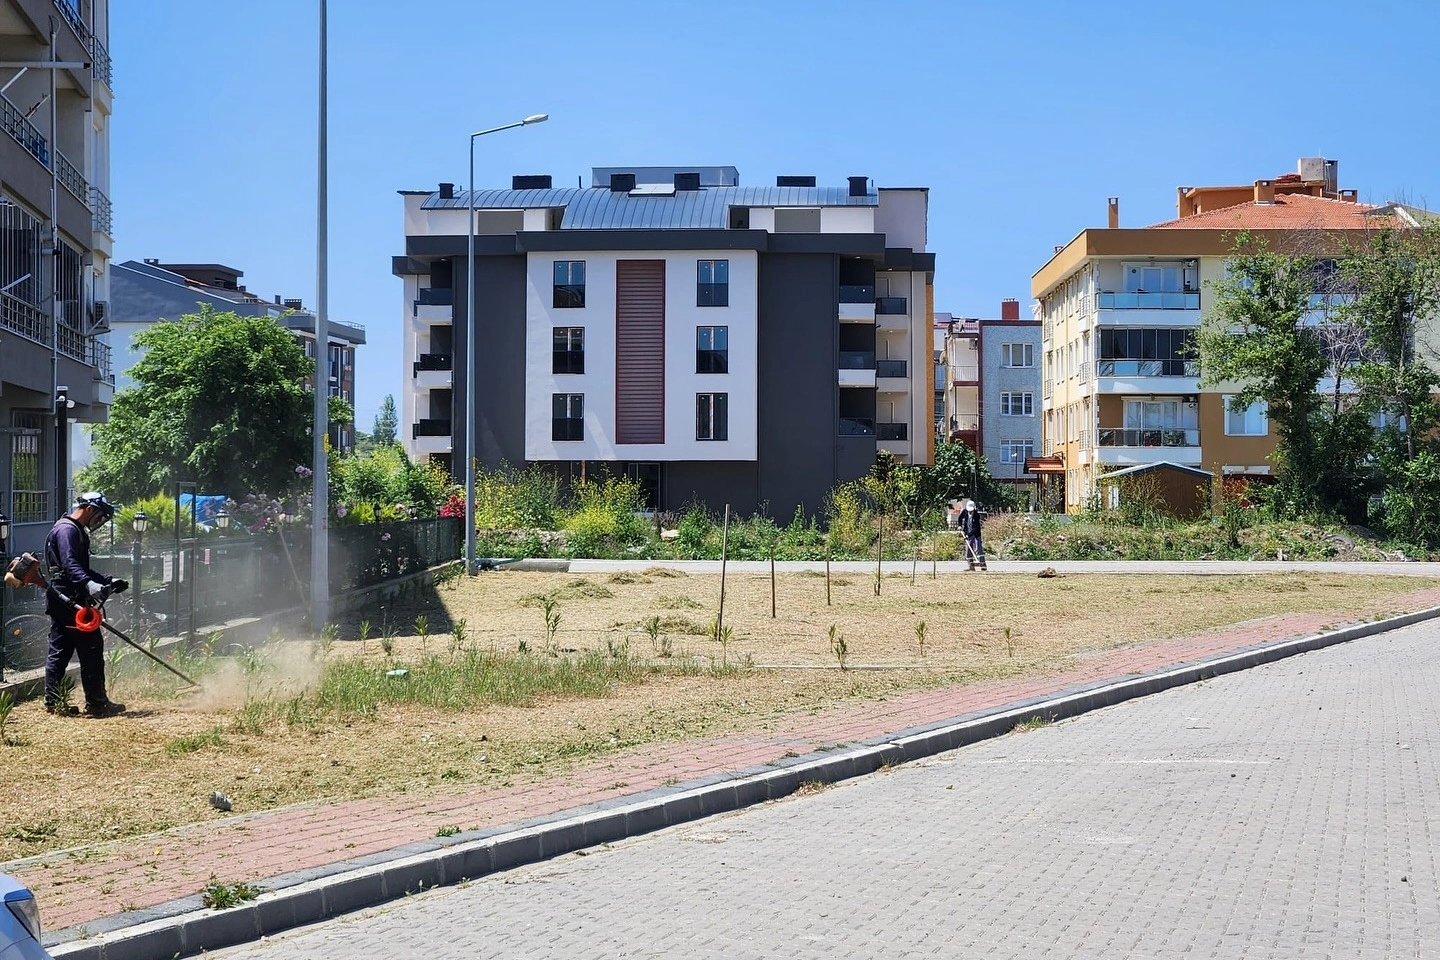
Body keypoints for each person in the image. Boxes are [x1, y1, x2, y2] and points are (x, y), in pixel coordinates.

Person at [44, 492, 128, 717]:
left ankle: (54, 701)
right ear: (89, 509)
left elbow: (79, 568)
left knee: (60, 649)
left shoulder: (70, 528)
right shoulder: (68, 530)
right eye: (100, 515)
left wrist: (106, 581)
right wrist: (89, 585)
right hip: (68, 599)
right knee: (90, 648)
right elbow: (70, 566)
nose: (100, 521)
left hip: (64, 596)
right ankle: (97, 703)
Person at [959, 499, 987, 571]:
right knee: (968, 549)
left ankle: (983, 565)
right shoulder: (965, 512)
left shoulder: (976, 515)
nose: (970, 512)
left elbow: (976, 527)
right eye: (969, 510)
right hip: (968, 533)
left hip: (976, 534)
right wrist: (959, 526)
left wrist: (969, 534)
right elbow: (960, 518)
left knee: (978, 549)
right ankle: (971, 566)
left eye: (971, 510)